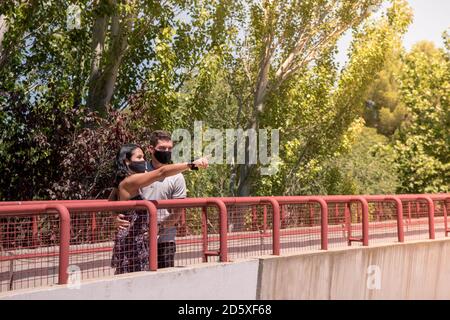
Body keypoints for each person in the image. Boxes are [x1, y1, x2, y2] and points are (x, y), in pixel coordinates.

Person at [110, 143, 207, 274]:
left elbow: (111, 200)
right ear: (126, 161)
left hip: (137, 240)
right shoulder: (130, 181)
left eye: (143, 157)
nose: (143, 161)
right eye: (139, 157)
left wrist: (114, 216)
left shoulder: (124, 181)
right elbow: (161, 172)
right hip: (131, 242)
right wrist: (191, 165)